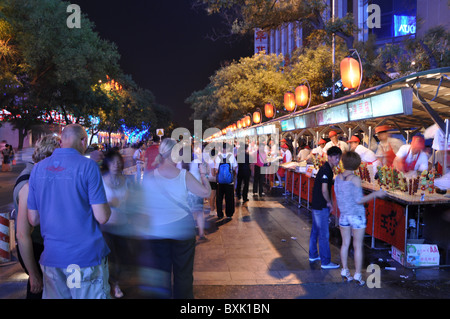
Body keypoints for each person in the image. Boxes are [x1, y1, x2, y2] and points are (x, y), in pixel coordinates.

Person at [27, 124, 112, 299]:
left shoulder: (38, 169)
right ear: (83, 141)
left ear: (61, 139)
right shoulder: (88, 166)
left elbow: (33, 219)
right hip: (84, 259)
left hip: (52, 260)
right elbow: (102, 217)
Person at [141, 138, 211, 298]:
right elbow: (206, 192)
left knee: (161, 274)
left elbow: (144, 206)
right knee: (184, 274)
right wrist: (203, 174)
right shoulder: (184, 176)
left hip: (158, 231)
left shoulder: (150, 177)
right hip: (182, 229)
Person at [13, 135, 60, 299]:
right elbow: (22, 235)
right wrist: (33, 274)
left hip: (42, 246)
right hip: (34, 248)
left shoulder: (41, 176)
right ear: (48, 158)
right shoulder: (28, 184)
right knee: (37, 288)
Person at [334, 151, 385, 285]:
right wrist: (376, 194)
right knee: (357, 246)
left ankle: (344, 270)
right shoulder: (355, 179)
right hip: (356, 216)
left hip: (343, 215)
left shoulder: (338, 178)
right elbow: (359, 200)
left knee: (345, 244)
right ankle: (357, 275)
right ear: (356, 164)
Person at [101, 150, 130, 298]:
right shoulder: (101, 180)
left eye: (118, 162)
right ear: (107, 163)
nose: (116, 165)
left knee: (124, 258)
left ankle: (115, 282)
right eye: (112, 162)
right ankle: (113, 285)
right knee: (110, 259)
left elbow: (128, 201)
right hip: (106, 226)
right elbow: (94, 204)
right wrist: (110, 203)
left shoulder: (124, 180)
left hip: (123, 225)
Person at [309, 146, 342, 269]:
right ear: (329, 157)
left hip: (316, 204)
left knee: (315, 231)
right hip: (321, 205)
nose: (337, 160)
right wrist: (329, 203)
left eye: (339, 157)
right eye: (334, 157)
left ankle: (313, 255)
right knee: (323, 234)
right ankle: (326, 261)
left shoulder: (326, 169)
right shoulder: (326, 170)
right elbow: (324, 190)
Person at [215, 142, 238, 220]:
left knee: (219, 198)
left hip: (220, 182)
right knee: (229, 198)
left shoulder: (218, 157)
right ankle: (229, 214)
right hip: (229, 182)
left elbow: (216, 170)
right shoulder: (231, 156)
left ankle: (220, 214)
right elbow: (235, 167)